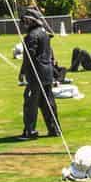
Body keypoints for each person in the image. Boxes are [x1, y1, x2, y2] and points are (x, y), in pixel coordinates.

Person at [18, 8, 61, 139]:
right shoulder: (44, 34)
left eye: (26, 21)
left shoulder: (31, 36)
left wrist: (22, 72)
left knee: (31, 102)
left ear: (32, 21)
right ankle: (54, 129)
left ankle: (30, 131)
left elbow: (29, 57)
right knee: (47, 102)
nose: (24, 23)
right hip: (47, 73)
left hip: (36, 74)